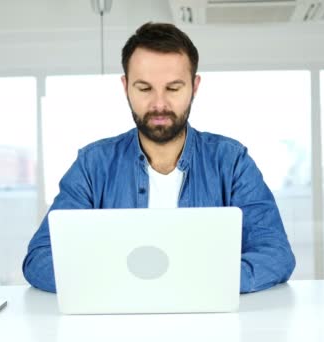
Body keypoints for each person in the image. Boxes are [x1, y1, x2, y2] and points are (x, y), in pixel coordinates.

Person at [22, 22, 295, 294]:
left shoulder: (232, 162)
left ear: (194, 86)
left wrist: (185, 283)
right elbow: (40, 259)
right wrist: (135, 284)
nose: (159, 104)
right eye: (144, 88)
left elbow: (276, 255)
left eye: (173, 88)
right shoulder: (93, 165)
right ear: (125, 85)